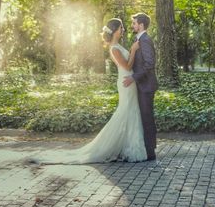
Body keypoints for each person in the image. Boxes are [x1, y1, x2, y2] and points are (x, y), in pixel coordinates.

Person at [31, 18, 147, 164]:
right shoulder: (114, 48)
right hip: (126, 82)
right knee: (125, 112)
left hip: (130, 82)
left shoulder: (117, 45)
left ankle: (129, 146)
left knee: (131, 112)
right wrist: (134, 50)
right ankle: (111, 146)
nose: (123, 29)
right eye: (121, 27)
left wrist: (132, 51)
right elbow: (128, 67)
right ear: (115, 30)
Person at [123, 12, 158, 161]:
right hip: (141, 85)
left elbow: (149, 64)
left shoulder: (144, 40)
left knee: (147, 118)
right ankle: (146, 149)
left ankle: (150, 152)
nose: (132, 25)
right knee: (143, 117)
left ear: (141, 25)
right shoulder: (140, 40)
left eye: (134, 23)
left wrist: (133, 77)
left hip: (146, 86)